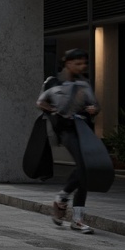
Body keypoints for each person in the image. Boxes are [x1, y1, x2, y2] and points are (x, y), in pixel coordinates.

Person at [38, 48, 100, 233]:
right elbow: (41, 102)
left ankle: (75, 216)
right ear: (68, 63)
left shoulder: (84, 84)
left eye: (84, 63)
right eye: (78, 63)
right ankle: (64, 200)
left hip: (83, 129)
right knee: (83, 167)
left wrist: (93, 109)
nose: (82, 66)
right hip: (65, 130)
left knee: (86, 171)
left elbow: (95, 105)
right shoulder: (52, 81)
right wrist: (54, 110)